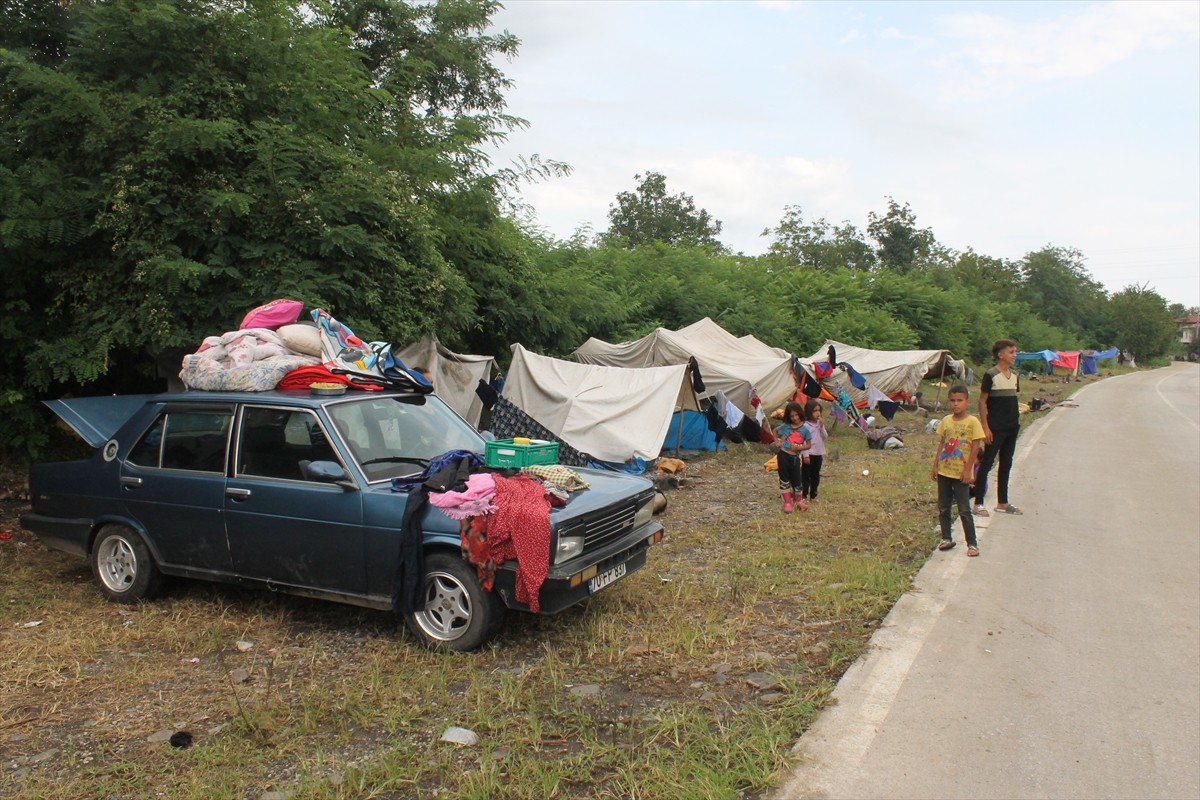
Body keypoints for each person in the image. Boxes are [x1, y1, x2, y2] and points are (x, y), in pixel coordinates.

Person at [931, 384, 984, 557]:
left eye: (960, 400)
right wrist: (935, 465)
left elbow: (976, 447)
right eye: (953, 401)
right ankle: (946, 538)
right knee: (944, 507)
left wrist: (968, 470)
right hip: (945, 471)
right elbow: (942, 444)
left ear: (967, 402)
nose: (956, 404)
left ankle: (972, 543)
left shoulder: (973, 422)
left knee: (964, 509)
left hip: (961, 474)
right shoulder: (946, 421)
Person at [972, 339, 1023, 516]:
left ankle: (1002, 501)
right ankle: (978, 502)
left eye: (1015, 352)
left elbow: (1012, 400)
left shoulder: (1015, 376)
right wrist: (985, 427)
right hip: (995, 427)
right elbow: (982, 402)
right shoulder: (991, 374)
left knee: (1006, 463)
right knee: (987, 463)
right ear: (1000, 354)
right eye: (1011, 352)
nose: (1014, 355)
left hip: (1012, 426)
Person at [774, 401, 811, 513]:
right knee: (784, 479)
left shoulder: (805, 429)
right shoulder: (785, 427)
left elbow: (809, 444)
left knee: (797, 479)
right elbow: (775, 431)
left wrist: (799, 448)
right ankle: (787, 502)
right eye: (792, 416)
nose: (795, 418)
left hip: (795, 458)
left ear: (800, 413)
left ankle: (798, 501)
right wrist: (777, 442)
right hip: (783, 455)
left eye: (796, 415)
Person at [800, 399, 828, 503]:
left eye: (819, 410)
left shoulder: (819, 424)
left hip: (818, 453)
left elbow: (824, 437)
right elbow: (803, 441)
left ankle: (813, 495)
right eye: (815, 411)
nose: (818, 413)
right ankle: (804, 495)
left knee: (815, 475)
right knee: (806, 475)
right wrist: (805, 455)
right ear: (809, 412)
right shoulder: (805, 426)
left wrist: (822, 427)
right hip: (809, 453)